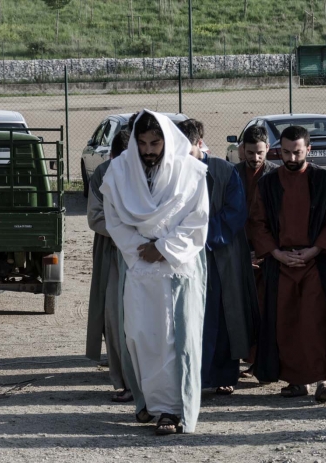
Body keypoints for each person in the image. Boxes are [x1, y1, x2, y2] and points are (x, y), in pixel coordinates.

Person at [100, 110, 209, 435]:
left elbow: (197, 219)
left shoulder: (190, 172)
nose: (149, 150)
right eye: (143, 142)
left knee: (174, 341)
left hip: (176, 269)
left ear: (167, 141)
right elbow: (115, 219)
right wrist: (141, 248)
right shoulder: (119, 172)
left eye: (155, 143)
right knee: (140, 336)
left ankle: (172, 411)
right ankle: (149, 402)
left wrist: (162, 248)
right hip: (139, 269)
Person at [250, 126, 326, 402]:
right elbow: (257, 223)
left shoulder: (325, 180)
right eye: (287, 153)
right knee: (286, 322)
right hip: (280, 264)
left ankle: (323, 380)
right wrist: (277, 253)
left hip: (315, 264)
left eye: (298, 152)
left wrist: (314, 250)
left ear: (309, 149)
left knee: (316, 323)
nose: (291, 159)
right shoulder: (267, 184)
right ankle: (295, 380)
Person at [176, 119, 258, 396]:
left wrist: (197, 237)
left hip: (219, 256)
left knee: (223, 315)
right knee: (188, 317)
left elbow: (235, 214)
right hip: (183, 256)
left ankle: (224, 376)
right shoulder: (172, 172)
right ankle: (190, 378)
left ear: (199, 143)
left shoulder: (224, 172)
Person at [86, 129, 132, 402]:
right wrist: (125, 233)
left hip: (147, 255)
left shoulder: (151, 171)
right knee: (115, 319)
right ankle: (124, 382)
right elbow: (95, 218)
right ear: (112, 156)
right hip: (113, 255)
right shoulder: (101, 174)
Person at [234, 125, 277, 379]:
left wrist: (264, 250)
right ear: (243, 150)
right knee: (242, 308)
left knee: (265, 307)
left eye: (260, 152)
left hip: (268, 253)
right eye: (250, 152)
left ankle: (261, 361)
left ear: (268, 149)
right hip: (239, 251)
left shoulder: (277, 176)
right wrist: (242, 253)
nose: (255, 157)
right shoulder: (233, 175)